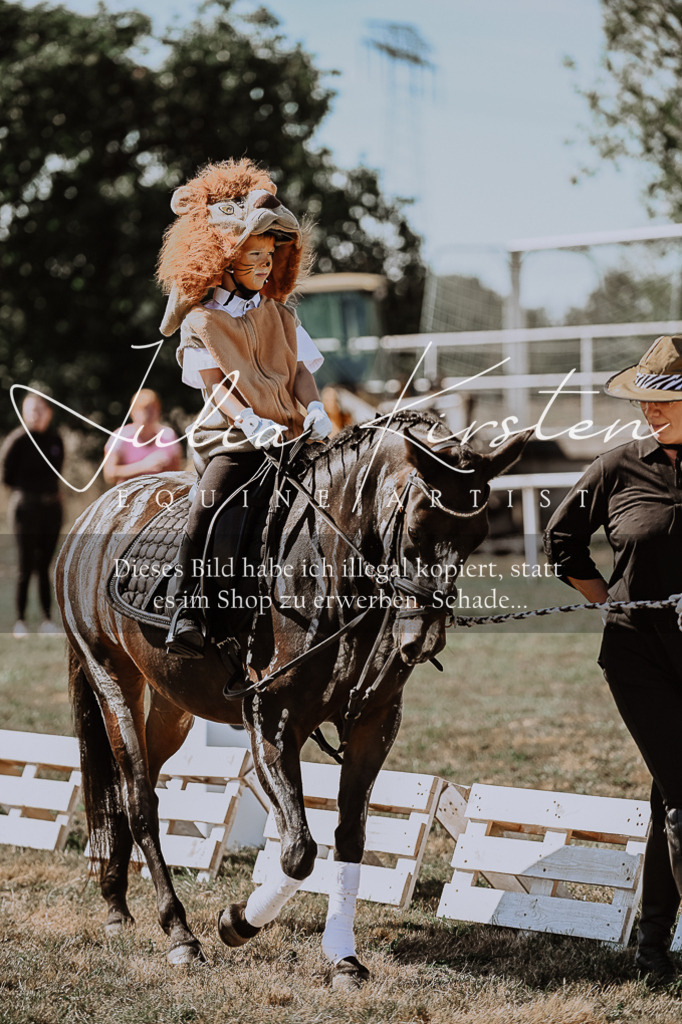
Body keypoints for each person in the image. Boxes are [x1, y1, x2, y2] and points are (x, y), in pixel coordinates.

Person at [544, 334, 682, 983]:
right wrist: (608, 602)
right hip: (638, 654)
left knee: (671, 794)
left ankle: (652, 947)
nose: (649, 410)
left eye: (664, 400)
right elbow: (562, 540)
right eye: (643, 400)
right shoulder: (617, 467)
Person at [156, 158, 332, 658]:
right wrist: (250, 422)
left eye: (270, 255)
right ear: (225, 258)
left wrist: (315, 408)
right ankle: (186, 609)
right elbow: (215, 388)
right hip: (234, 441)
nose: (265, 264)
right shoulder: (201, 322)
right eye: (254, 254)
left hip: (294, 437)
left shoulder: (283, 314)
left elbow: (301, 371)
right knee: (206, 510)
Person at [1, 393, 64, 638]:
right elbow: (7, 476)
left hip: (51, 509)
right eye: (31, 410)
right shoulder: (18, 440)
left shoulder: (55, 438)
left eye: (40, 410)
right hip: (25, 509)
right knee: (25, 565)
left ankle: (47, 620)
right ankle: (20, 621)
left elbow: (57, 472)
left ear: (49, 412)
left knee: (45, 564)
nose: (36, 415)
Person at [103, 388, 182, 486]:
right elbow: (109, 474)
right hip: (129, 493)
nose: (149, 413)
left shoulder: (168, 436)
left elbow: (178, 474)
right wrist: (143, 466)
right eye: (145, 408)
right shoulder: (120, 437)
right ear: (133, 412)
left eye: (153, 408)